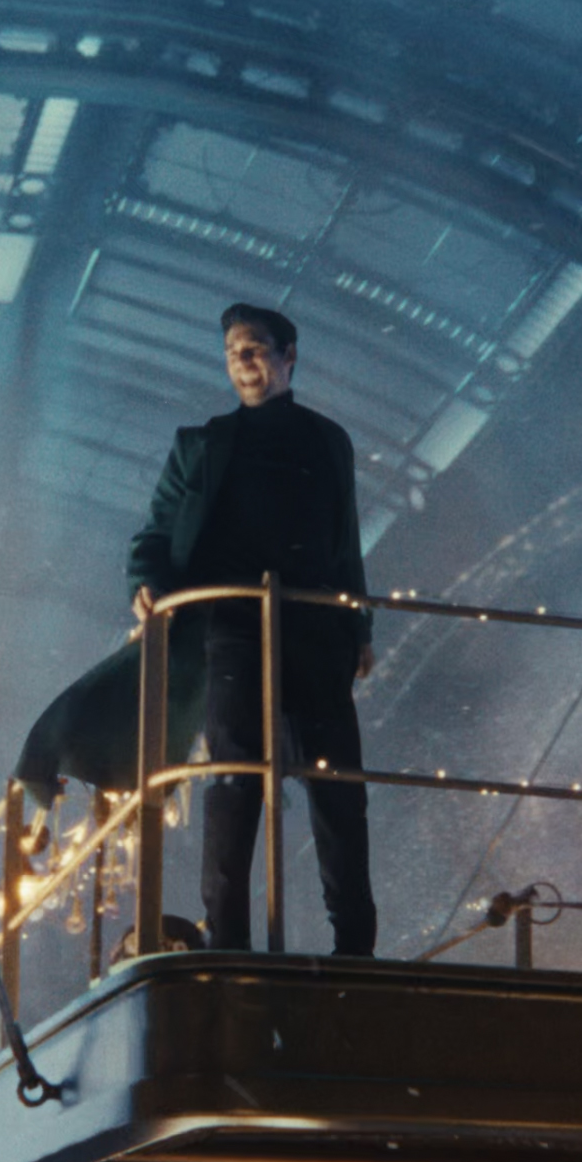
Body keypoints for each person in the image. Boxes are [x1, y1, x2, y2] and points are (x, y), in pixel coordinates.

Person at [125, 304, 379, 956]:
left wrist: (360, 623)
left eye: (255, 348)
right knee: (235, 778)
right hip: (234, 626)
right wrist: (145, 585)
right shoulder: (201, 446)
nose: (242, 362)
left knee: (336, 784)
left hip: (318, 626)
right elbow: (155, 533)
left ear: (289, 355)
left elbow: (345, 540)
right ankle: (228, 941)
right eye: (233, 352)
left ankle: (355, 944)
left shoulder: (328, 442)